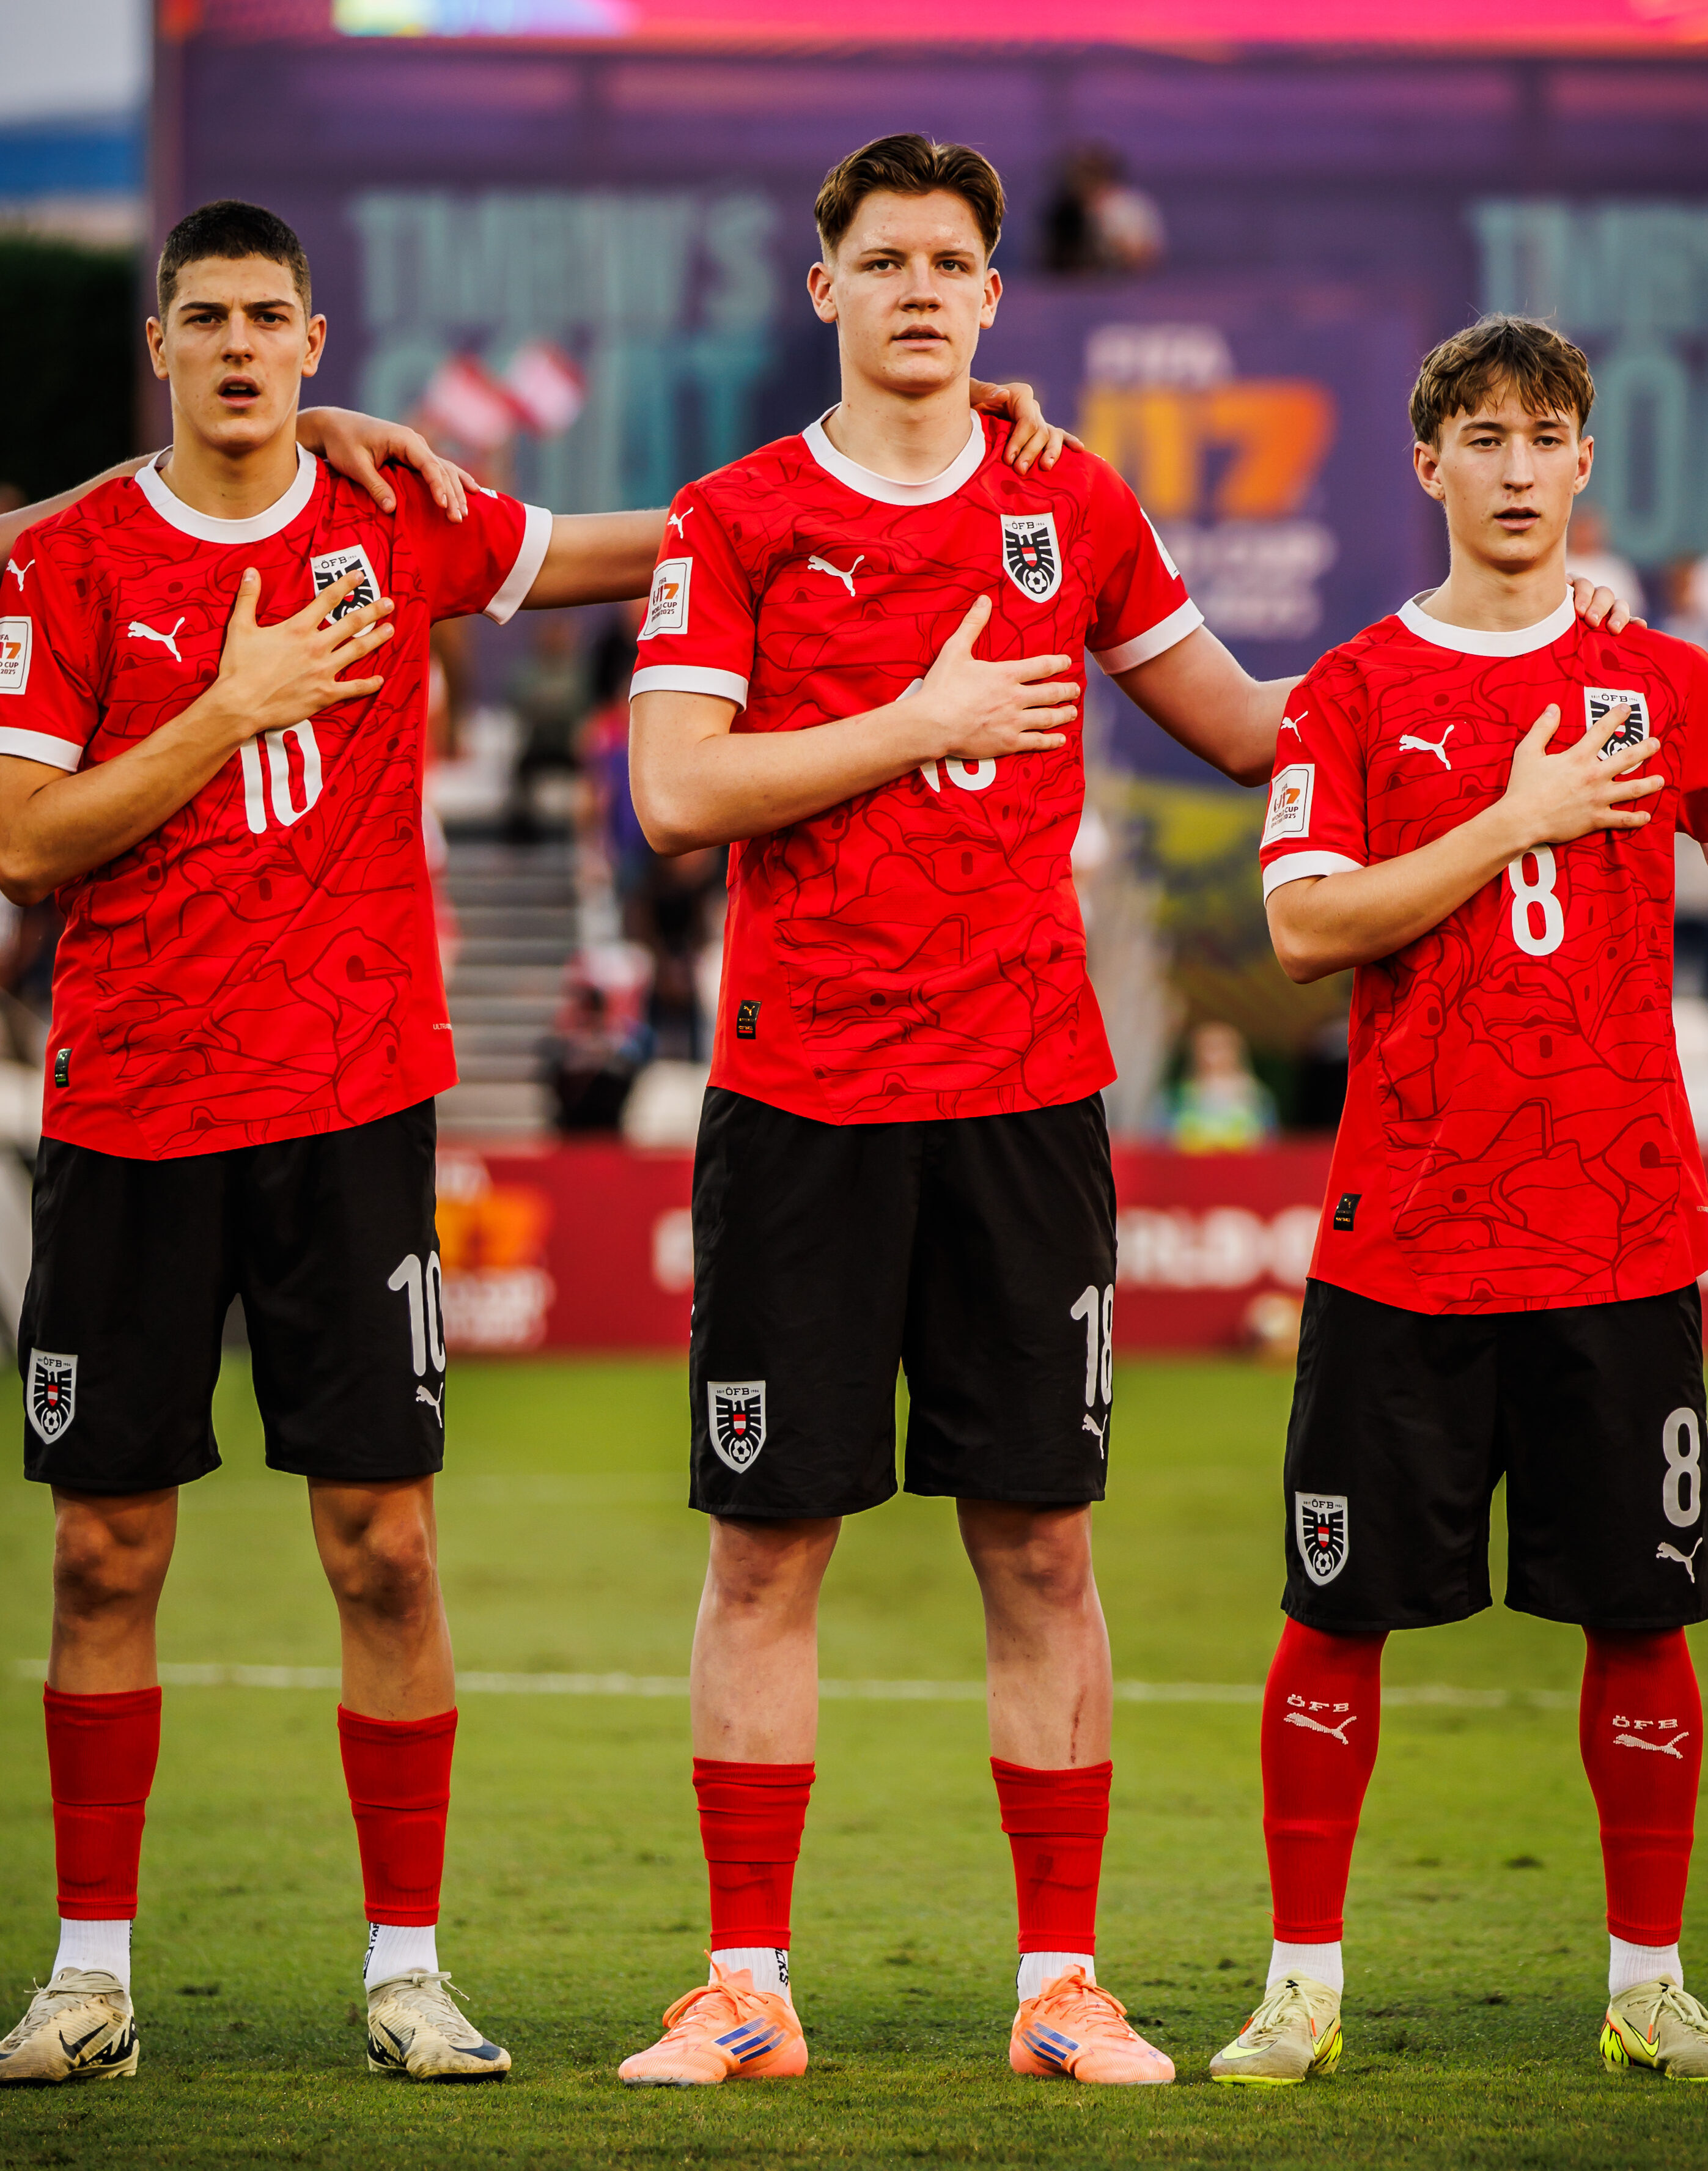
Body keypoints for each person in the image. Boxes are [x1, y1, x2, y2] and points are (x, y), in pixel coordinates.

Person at [0, 191, 1110, 2090]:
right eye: (212, 318)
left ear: (318, 345)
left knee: (385, 1549)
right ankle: (89, 1973)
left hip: (356, 1102)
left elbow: (701, 536)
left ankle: (407, 1968)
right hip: (126, 1100)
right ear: (163, 346)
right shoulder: (76, 560)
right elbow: (28, 839)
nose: (247, 347)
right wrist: (238, 703)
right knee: (103, 1550)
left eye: (276, 317)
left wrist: (930, 406)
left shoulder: (397, 518)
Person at [613, 133, 1636, 2092]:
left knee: (1042, 1552)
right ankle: (744, 1979)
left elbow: (1259, 726)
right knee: (763, 1552)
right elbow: (676, 788)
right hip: (800, 1095)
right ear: (822, 287)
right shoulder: (731, 518)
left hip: (1025, 1100)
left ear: (996, 301)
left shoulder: (1069, 499)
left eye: (952, 263)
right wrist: (918, 722)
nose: (919, 288)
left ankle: (1058, 1981)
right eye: (884, 257)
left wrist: (1491, 643)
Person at [1218, 313, 1708, 2088]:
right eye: (1479, 437)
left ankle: (1648, 1981)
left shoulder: (1658, 678)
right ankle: (1299, 1982)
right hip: (1406, 1238)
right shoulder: (1348, 690)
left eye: (1544, 435)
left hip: (1624, 1227)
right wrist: (1521, 815)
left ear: (1586, 464)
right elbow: (1299, 928)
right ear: (1424, 465)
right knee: (1331, 1607)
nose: (1513, 467)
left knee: (1643, 1611)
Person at [1168, 1020, 1276, 1153]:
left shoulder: (1255, 1094)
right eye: (1206, 1047)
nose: (1212, 1055)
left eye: (1220, 1047)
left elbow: (1268, 1142)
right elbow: (1163, 1141)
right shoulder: (1178, 1096)